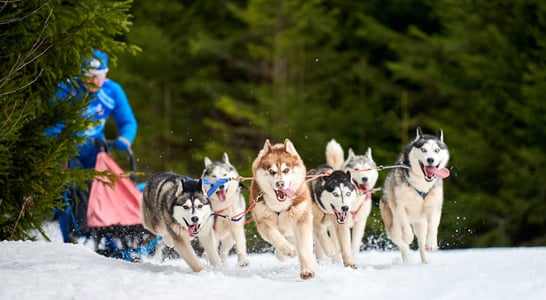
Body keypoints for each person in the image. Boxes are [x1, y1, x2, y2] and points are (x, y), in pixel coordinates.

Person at [47, 49, 137, 169]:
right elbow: (51, 123)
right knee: (65, 184)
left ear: (105, 75)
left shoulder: (112, 90)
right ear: (81, 74)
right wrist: (54, 145)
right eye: (89, 76)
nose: (94, 81)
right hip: (66, 149)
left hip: (96, 149)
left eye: (99, 76)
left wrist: (126, 138)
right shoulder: (65, 88)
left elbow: (127, 121)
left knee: (100, 183)